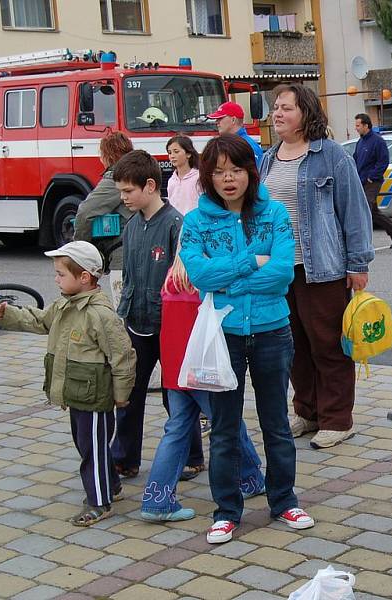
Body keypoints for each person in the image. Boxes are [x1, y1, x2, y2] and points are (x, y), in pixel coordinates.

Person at [180, 134, 315, 543]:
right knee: (223, 427)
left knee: (276, 422)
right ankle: (226, 510)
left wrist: (230, 279)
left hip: (274, 330)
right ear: (207, 177)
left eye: (235, 170)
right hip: (224, 335)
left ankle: (284, 500)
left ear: (250, 172)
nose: (228, 179)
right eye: (218, 172)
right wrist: (246, 263)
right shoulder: (195, 222)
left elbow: (281, 275)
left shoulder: (272, 213)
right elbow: (200, 276)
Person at [0, 242, 136, 526]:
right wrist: (5, 312)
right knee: (86, 444)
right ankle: (110, 484)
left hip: (95, 396)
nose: (56, 279)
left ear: (85, 277)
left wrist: (121, 395)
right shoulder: (65, 304)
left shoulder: (100, 315)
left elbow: (122, 356)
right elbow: (40, 320)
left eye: (61, 274)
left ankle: (100, 502)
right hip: (76, 393)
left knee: (93, 448)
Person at [259, 83, 374, 450]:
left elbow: (354, 210)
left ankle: (338, 419)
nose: (278, 114)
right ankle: (306, 411)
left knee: (328, 344)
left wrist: (358, 264)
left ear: (306, 113)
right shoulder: (268, 158)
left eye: (286, 108)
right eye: (276, 107)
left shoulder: (332, 156)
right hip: (278, 269)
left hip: (322, 268)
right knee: (291, 345)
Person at [140, 259, 266, 522]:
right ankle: (251, 477)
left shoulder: (171, 280)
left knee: (176, 430)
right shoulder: (209, 279)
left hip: (175, 370)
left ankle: (157, 498)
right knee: (228, 424)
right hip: (205, 369)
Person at [111, 150, 186, 479]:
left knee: (177, 396)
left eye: (128, 191)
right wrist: (121, 317)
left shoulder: (174, 223)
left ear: (150, 185)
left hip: (169, 324)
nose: (123, 197)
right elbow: (127, 278)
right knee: (128, 392)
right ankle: (125, 457)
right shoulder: (131, 226)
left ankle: (190, 455)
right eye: (120, 192)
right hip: (136, 323)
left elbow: (182, 281)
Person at [73, 132, 134, 306]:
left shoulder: (115, 179)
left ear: (108, 155)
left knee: (124, 313)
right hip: (142, 253)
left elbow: (84, 213)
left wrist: (80, 248)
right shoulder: (138, 173)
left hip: (122, 257)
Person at [353, 113, 392, 248]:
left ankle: (365, 243)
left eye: (358, 125)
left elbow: (383, 161)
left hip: (372, 182)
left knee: (365, 210)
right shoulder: (360, 142)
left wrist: (372, 176)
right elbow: (356, 160)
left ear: (366, 125)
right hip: (361, 181)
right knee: (373, 212)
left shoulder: (378, 141)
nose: (356, 128)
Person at [209, 101, 264, 165]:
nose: (216, 122)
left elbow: (257, 173)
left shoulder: (249, 147)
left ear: (233, 120)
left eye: (220, 118)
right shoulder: (227, 144)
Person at [166, 135, 202, 216]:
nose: (172, 156)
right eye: (169, 152)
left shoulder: (199, 178)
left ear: (188, 154)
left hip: (194, 225)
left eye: (176, 151)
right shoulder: (171, 181)